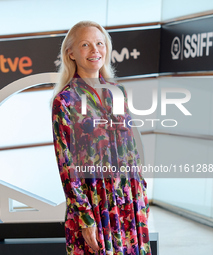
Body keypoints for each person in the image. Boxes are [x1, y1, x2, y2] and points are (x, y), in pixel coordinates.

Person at [51, 21, 151, 255]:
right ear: (71, 53)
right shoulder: (65, 101)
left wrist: (141, 192)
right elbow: (67, 166)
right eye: (85, 44)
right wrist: (85, 217)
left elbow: (130, 149)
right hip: (95, 205)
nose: (95, 50)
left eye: (99, 43)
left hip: (129, 201)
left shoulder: (118, 92)